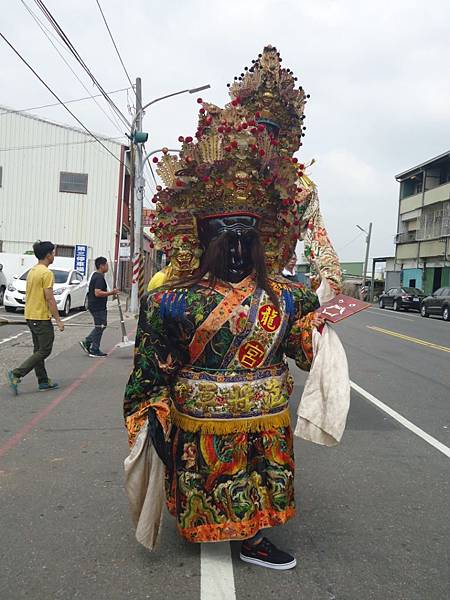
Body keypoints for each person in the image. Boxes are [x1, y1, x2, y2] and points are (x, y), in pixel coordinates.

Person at [123, 46, 344, 570]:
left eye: (250, 235)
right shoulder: (171, 300)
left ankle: (250, 538)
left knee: (256, 480)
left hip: (264, 412)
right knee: (203, 478)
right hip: (198, 411)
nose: (239, 247)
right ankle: (202, 523)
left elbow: (304, 350)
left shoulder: (288, 297)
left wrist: (322, 335)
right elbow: (149, 373)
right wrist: (150, 415)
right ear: (202, 240)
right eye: (227, 236)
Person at [7, 240, 64, 395]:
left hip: (30, 315)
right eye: (53, 253)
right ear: (47, 255)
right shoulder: (46, 273)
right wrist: (58, 320)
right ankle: (16, 373)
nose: (54, 255)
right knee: (45, 349)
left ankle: (43, 381)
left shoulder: (33, 271)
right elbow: (50, 298)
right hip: (40, 317)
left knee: (38, 349)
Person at [79, 257, 118, 357]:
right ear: (101, 266)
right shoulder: (99, 277)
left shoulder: (97, 276)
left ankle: (89, 343)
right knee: (100, 326)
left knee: (101, 325)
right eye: (106, 265)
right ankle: (93, 347)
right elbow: (97, 292)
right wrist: (111, 293)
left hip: (96, 305)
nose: (108, 267)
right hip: (97, 306)